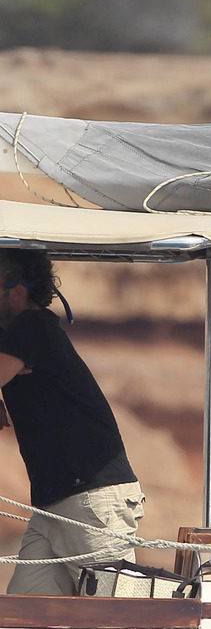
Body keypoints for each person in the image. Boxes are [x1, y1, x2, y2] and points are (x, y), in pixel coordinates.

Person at [0, 249, 144, 595]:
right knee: (26, 613)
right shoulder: (22, 335)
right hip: (57, 502)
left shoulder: (31, 325)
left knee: (118, 611)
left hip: (89, 496)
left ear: (16, 291)